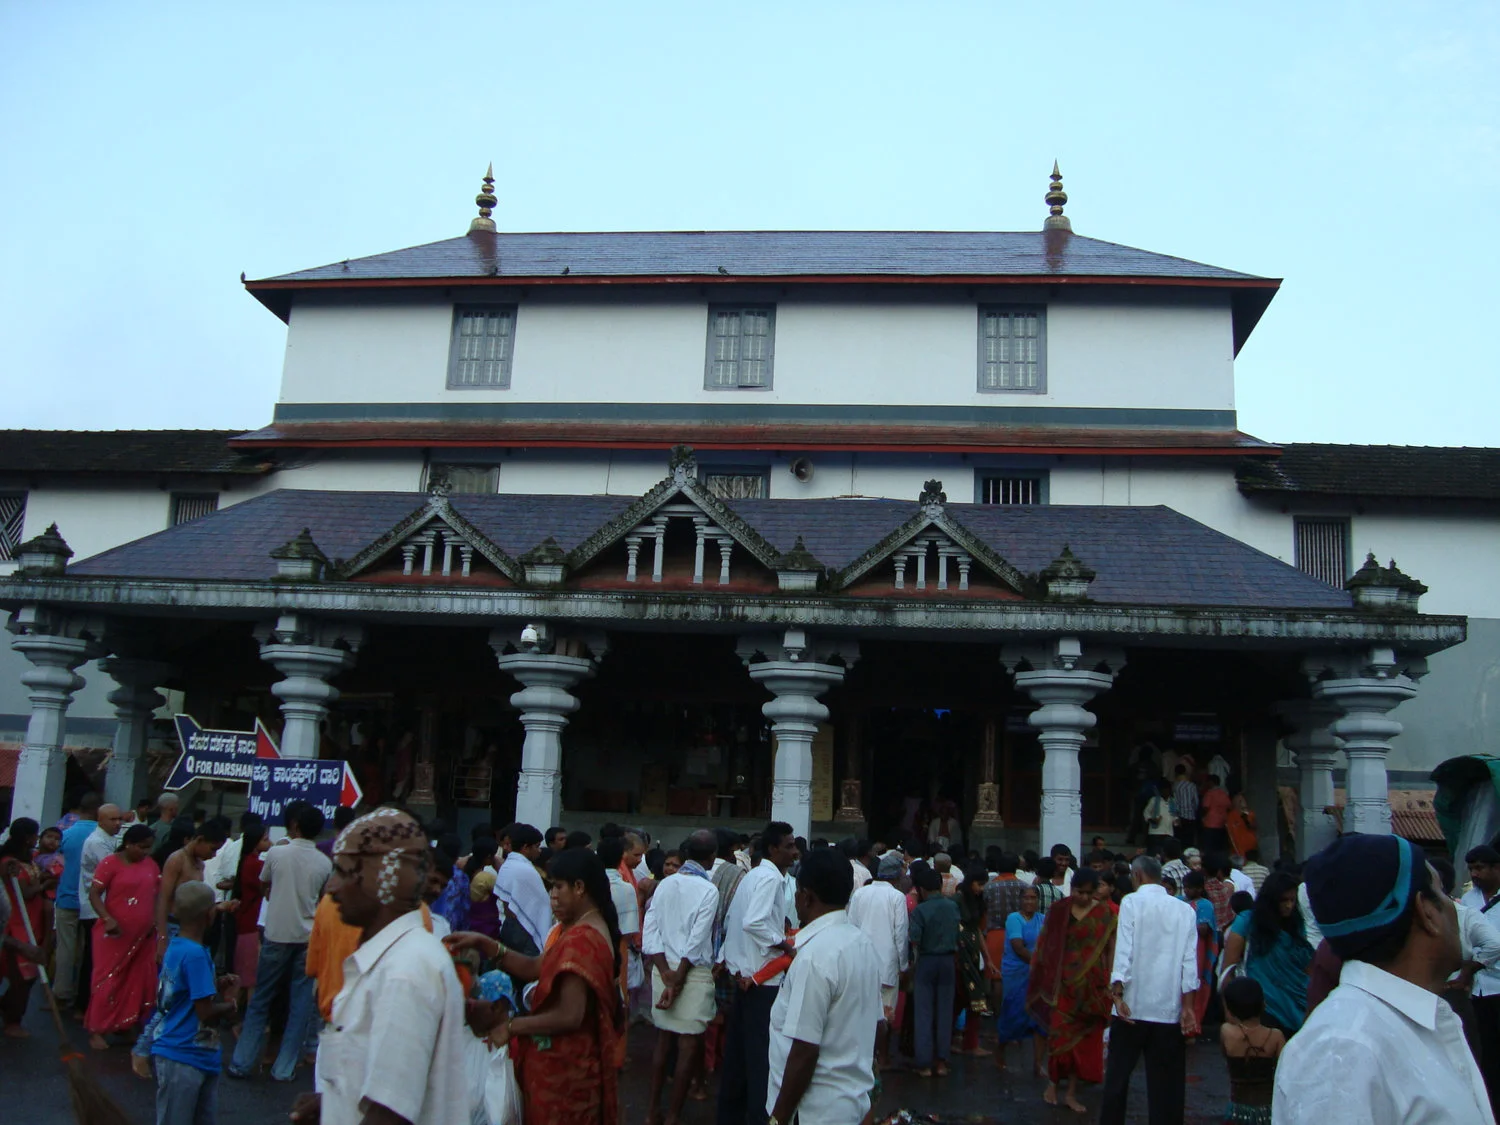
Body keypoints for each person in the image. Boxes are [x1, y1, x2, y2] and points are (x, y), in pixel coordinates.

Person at [1273, 833, 1494, 1124]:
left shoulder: (1417, 1019)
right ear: (1426, 912)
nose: (1455, 906)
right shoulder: (1344, 1047)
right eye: (1442, 893)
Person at [290, 808, 469, 1125]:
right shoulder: (392, 957)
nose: (331, 888)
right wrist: (334, 1102)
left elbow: (390, 1114)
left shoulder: (406, 970)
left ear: (381, 881)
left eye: (343, 873)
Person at [446, 846, 625, 1125]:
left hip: (567, 1077)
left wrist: (511, 1026)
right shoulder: (577, 928)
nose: (552, 897)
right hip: (565, 1069)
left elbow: (570, 1015)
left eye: (558, 887)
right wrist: (488, 945)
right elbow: (534, 968)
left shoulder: (583, 938)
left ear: (579, 888)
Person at [766, 846, 881, 1125]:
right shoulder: (862, 943)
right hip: (850, 1104)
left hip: (814, 1111)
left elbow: (804, 1050)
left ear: (807, 897)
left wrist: (777, 1119)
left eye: (797, 892)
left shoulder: (814, 956)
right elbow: (878, 1025)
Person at [227, 803, 330, 1081]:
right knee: (300, 1006)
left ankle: (241, 1062)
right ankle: (283, 1069)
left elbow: (265, 886)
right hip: (306, 937)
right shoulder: (324, 861)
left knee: (261, 999)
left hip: (276, 934)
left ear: (294, 825)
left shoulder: (277, 853)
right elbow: (322, 897)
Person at [1100, 855, 1199, 1125]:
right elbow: (1189, 963)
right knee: (1167, 1086)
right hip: (1168, 1009)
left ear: (1137, 876)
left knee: (1118, 1079)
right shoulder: (1185, 911)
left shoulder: (1131, 902)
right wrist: (1188, 1007)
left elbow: (1124, 950)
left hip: (1132, 1005)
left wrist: (1117, 993)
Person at [718, 821, 798, 1125]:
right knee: (761, 1060)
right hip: (761, 981)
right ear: (773, 849)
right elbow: (754, 922)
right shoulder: (768, 879)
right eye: (788, 846)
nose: (794, 851)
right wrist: (784, 946)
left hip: (746, 976)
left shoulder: (755, 876)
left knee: (739, 1059)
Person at [642, 829, 719, 1125]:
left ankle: (652, 1111)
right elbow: (699, 938)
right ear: (712, 858)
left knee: (663, 1039)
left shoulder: (665, 884)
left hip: (665, 966)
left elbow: (651, 929)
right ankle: (673, 1114)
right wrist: (678, 977)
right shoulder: (708, 889)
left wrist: (665, 973)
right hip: (691, 970)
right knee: (687, 1044)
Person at [1026, 867, 1115, 1114]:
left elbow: (1109, 949)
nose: (1084, 898)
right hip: (1061, 985)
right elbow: (1046, 946)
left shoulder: (1104, 914)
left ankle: (1072, 1093)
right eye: (1079, 892)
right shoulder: (1059, 911)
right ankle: (1053, 1085)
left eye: (1088, 893)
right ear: (1071, 888)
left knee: (1084, 1043)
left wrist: (1110, 984)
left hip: (1091, 987)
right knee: (1060, 1038)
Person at [151, 880, 239, 1125]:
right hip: (185, 1055)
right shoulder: (196, 955)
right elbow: (205, 1012)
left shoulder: (177, 946)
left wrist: (215, 984)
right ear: (209, 914)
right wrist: (231, 1006)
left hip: (184, 1053)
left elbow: (184, 992)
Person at [85, 823, 162, 1050]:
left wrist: (156, 924)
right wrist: (107, 918)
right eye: (141, 847)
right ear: (128, 843)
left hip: (143, 936)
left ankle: (124, 1025)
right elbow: (94, 894)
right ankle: (96, 1030)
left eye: (148, 848)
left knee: (136, 980)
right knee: (107, 980)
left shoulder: (151, 865)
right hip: (114, 934)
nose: (145, 852)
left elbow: (156, 896)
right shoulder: (110, 863)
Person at [1219, 871, 1313, 1034]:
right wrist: (1229, 1013)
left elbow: (1306, 964)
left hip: (1298, 1003)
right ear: (1271, 900)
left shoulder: (1296, 925)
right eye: (1284, 900)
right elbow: (1227, 971)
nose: (1289, 906)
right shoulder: (1247, 921)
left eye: (1292, 900)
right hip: (1264, 1007)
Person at [845, 850, 908, 1070]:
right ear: (896, 877)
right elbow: (900, 934)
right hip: (887, 963)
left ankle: (863, 1056)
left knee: (862, 1009)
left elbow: (851, 926)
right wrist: (904, 964)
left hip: (861, 961)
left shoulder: (861, 894)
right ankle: (882, 1056)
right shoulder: (896, 897)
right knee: (885, 1012)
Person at [908, 864, 960, 1078]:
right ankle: (942, 1061)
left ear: (921, 889)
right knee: (945, 1011)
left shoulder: (920, 910)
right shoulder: (952, 907)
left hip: (927, 961)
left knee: (924, 1012)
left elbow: (914, 940)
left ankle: (924, 1063)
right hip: (948, 961)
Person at [0, 817, 51, 1036]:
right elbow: (23, 892)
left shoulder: (29, 859)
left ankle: (8, 1010)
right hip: (16, 921)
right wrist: (44, 884)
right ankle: (12, 1020)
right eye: (34, 835)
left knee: (28, 973)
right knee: (22, 972)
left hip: (33, 919)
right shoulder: (8, 862)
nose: (36, 839)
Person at [53, 792, 102, 1015]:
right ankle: (80, 994)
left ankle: (62, 993)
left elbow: (57, 861)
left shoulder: (67, 834)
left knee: (65, 947)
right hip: (92, 901)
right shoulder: (101, 836)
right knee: (86, 950)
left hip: (66, 896)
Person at [1464, 844, 1500, 1116]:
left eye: (1480, 868)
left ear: (1496, 869)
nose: (1475, 874)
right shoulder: (1468, 900)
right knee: (1485, 1056)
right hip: (1478, 989)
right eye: (1472, 869)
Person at [995, 884, 1045, 1076]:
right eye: (1026, 898)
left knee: (1040, 1017)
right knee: (1013, 1013)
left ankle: (1038, 1063)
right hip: (1017, 973)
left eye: (1033, 898)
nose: (1029, 902)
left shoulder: (1042, 920)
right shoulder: (1014, 919)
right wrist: (1037, 963)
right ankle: (1000, 1050)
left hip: (1038, 975)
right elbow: (1018, 946)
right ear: (1020, 900)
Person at [1219, 974, 1282, 1125]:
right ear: (1263, 1005)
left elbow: (1224, 1054)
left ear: (1230, 1010)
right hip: (1266, 1112)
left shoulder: (1226, 1032)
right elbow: (1284, 1071)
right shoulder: (1275, 1036)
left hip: (1237, 1111)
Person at [496, 822, 552, 955]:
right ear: (526, 847)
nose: (539, 851)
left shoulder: (509, 864)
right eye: (537, 846)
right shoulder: (524, 869)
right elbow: (540, 906)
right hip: (524, 930)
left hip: (511, 926)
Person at [1181, 870, 1218, 1038]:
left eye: (1190, 888)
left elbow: (1203, 930)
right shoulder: (1179, 901)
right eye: (1185, 887)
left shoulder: (1204, 905)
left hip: (1197, 949)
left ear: (1200, 889)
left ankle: (1192, 1026)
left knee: (1193, 983)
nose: (1187, 891)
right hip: (1179, 948)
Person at [1199, 775, 1232, 855]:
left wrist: (1202, 817)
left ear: (1211, 782)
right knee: (1219, 847)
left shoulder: (1209, 793)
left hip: (1210, 823)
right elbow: (1229, 807)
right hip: (1222, 824)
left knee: (1210, 847)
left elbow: (1206, 807)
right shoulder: (1224, 793)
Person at [1144, 780, 1176, 855]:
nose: (1166, 792)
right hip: (1156, 833)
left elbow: (1174, 815)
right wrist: (1152, 820)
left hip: (1168, 832)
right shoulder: (1154, 800)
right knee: (1154, 853)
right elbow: (1146, 812)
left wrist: (1176, 821)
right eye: (1164, 790)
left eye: (1167, 790)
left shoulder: (1173, 801)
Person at [1172, 766, 1198, 847]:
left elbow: (1175, 803)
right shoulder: (1192, 786)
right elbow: (1196, 802)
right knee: (1189, 841)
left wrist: (1176, 817)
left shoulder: (1176, 786)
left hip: (1180, 817)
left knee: (1179, 840)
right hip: (1191, 817)